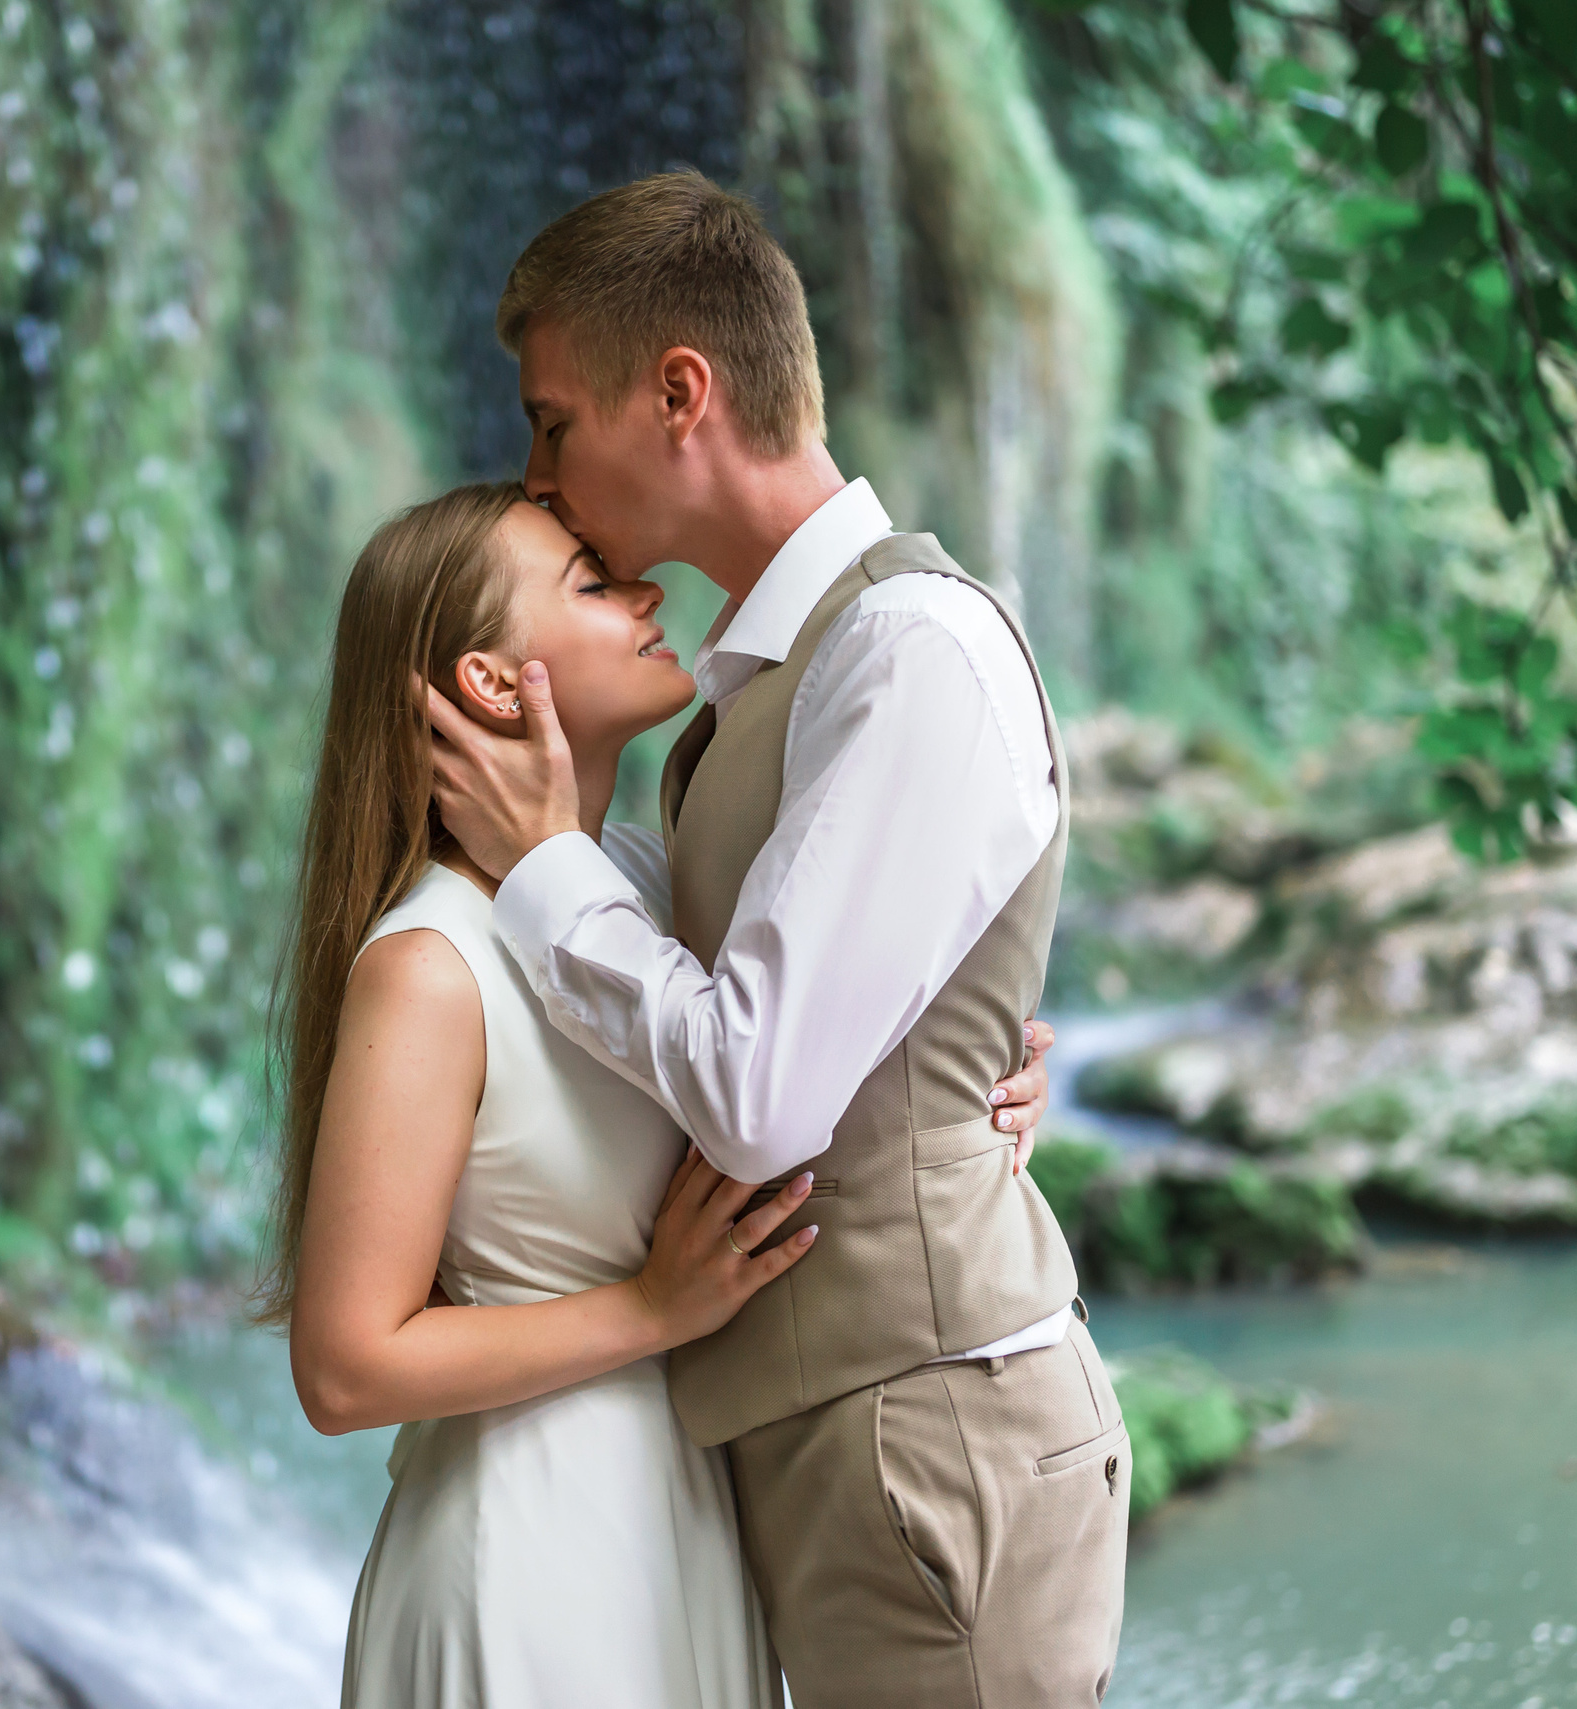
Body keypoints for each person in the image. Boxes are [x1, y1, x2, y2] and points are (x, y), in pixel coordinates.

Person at [423, 172, 1129, 1708]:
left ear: (681, 394)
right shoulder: (775, 680)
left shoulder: (907, 648)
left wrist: (542, 866)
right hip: (848, 1438)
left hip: (931, 1433)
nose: (535, 479)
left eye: (553, 423)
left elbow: (756, 1093)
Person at [262, 479, 1057, 1708]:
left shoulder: (640, 890)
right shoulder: (428, 965)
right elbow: (345, 1366)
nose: (644, 591)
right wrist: (647, 1309)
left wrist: (983, 1080)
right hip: (525, 1556)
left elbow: (788, 1047)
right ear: (490, 682)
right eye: (590, 582)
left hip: (688, 1520)